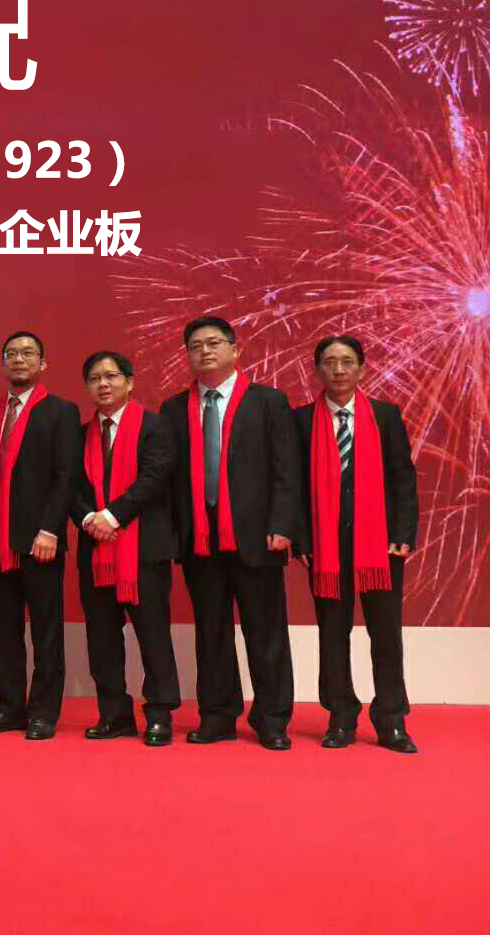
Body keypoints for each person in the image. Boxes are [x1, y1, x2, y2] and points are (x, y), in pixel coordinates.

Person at [160, 316, 301, 750]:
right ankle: (218, 716)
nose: (205, 351)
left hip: (257, 537)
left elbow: (286, 469)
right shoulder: (173, 409)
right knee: (212, 633)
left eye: (214, 343)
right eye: (195, 346)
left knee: (266, 632)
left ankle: (272, 719)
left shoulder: (268, 402)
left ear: (235, 350)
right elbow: (167, 480)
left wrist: (282, 525)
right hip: (200, 541)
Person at [293, 336, 419, 753]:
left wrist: (403, 534)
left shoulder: (384, 415)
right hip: (326, 548)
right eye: (330, 362)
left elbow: (403, 478)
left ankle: (391, 720)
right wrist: (303, 540)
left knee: (386, 634)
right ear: (318, 371)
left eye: (347, 362)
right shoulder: (301, 420)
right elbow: (293, 487)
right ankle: (340, 717)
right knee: (333, 633)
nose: (339, 370)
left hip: (380, 546)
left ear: (362, 369)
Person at [70, 351, 180, 745]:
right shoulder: (79, 434)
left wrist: (112, 516)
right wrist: (89, 518)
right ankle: (114, 714)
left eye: (112, 376)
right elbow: (70, 486)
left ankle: (159, 714)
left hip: (144, 550)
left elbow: (154, 478)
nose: (103, 384)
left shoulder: (155, 426)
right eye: (95, 378)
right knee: (102, 639)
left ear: (130, 382)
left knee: (153, 636)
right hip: (95, 550)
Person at [0, 330, 80, 740]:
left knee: (46, 632)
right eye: (12, 354)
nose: (19, 359)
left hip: (40, 542)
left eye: (28, 353)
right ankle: (9, 708)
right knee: (2, 633)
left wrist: (50, 529)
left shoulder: (61, 411)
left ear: (43, 363)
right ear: (3, 363)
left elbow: (66, 475)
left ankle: (43, 712)